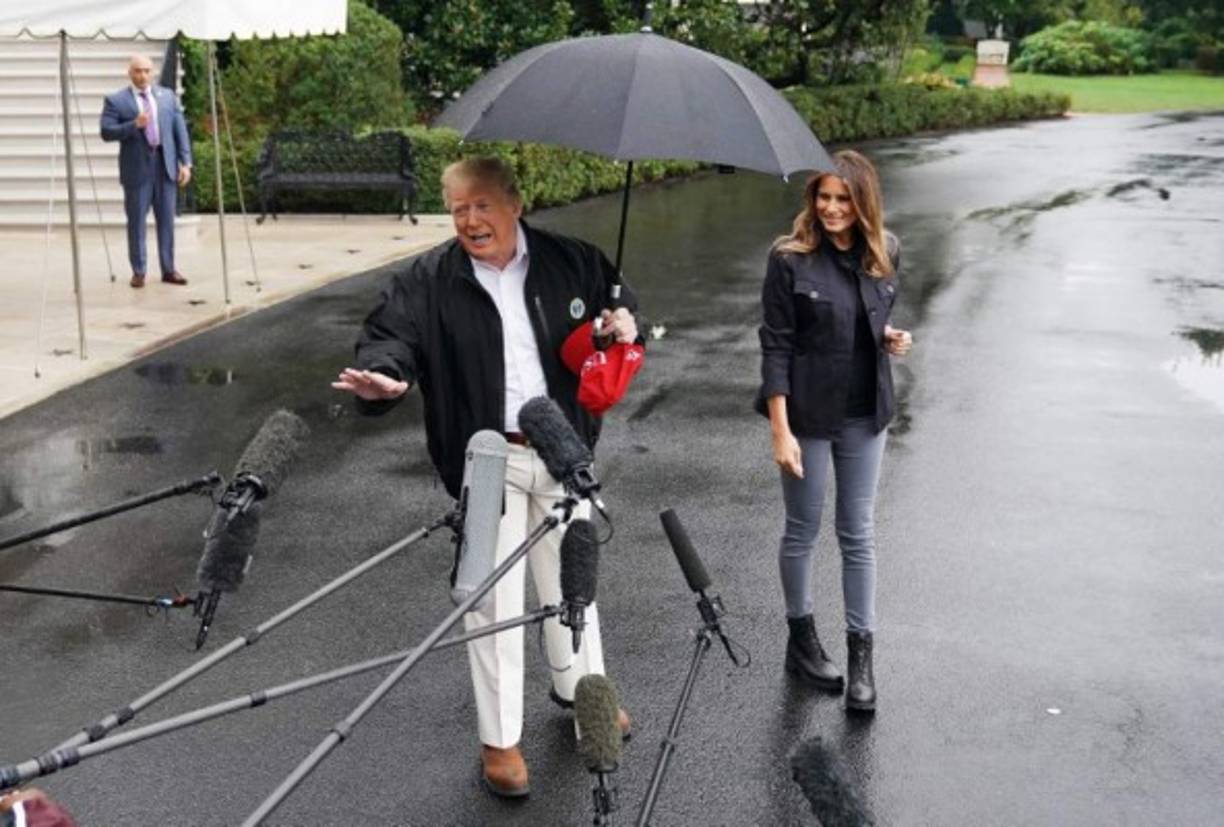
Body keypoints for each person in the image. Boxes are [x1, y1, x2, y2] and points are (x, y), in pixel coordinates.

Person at [332, 157, 639, 798]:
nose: (470, 220)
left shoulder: (573, 260)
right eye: (458, 209)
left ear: (515, 203)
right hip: (484, 458)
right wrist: (386, 377)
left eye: (482, 205)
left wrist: (622, 323)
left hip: (562, 444)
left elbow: (622, 309)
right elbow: (390, 339)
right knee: (490, 601)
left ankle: (583, 696)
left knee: (575, 584)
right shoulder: (426, 279)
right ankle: (500, 741)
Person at [756, 150, 913, 714]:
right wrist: (779, 427)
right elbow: (776, 343)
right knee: (802, 529)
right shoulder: (789, 259)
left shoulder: (885, 251)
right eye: (823, 196)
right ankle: (802, 642)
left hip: (866, 414)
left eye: (843, 198)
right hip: (806, 416)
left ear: (863, 202)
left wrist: (888, 337)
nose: (831, 207)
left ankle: (861, 657)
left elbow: (863, 316)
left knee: (858, 533)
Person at [99, 55, 192, 289]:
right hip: (137, 168)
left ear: (152, 72)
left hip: (165, 165)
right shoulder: (116, 100)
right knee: (137, 221)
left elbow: (179, 131)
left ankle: (169, 269)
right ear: (130, 72)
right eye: (138, 71)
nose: (143, 75)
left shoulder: (167, 96)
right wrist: (134, 125)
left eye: (147, 71)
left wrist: (186, 162)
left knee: (166, 221)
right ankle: (138, 271)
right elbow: (106, 132)